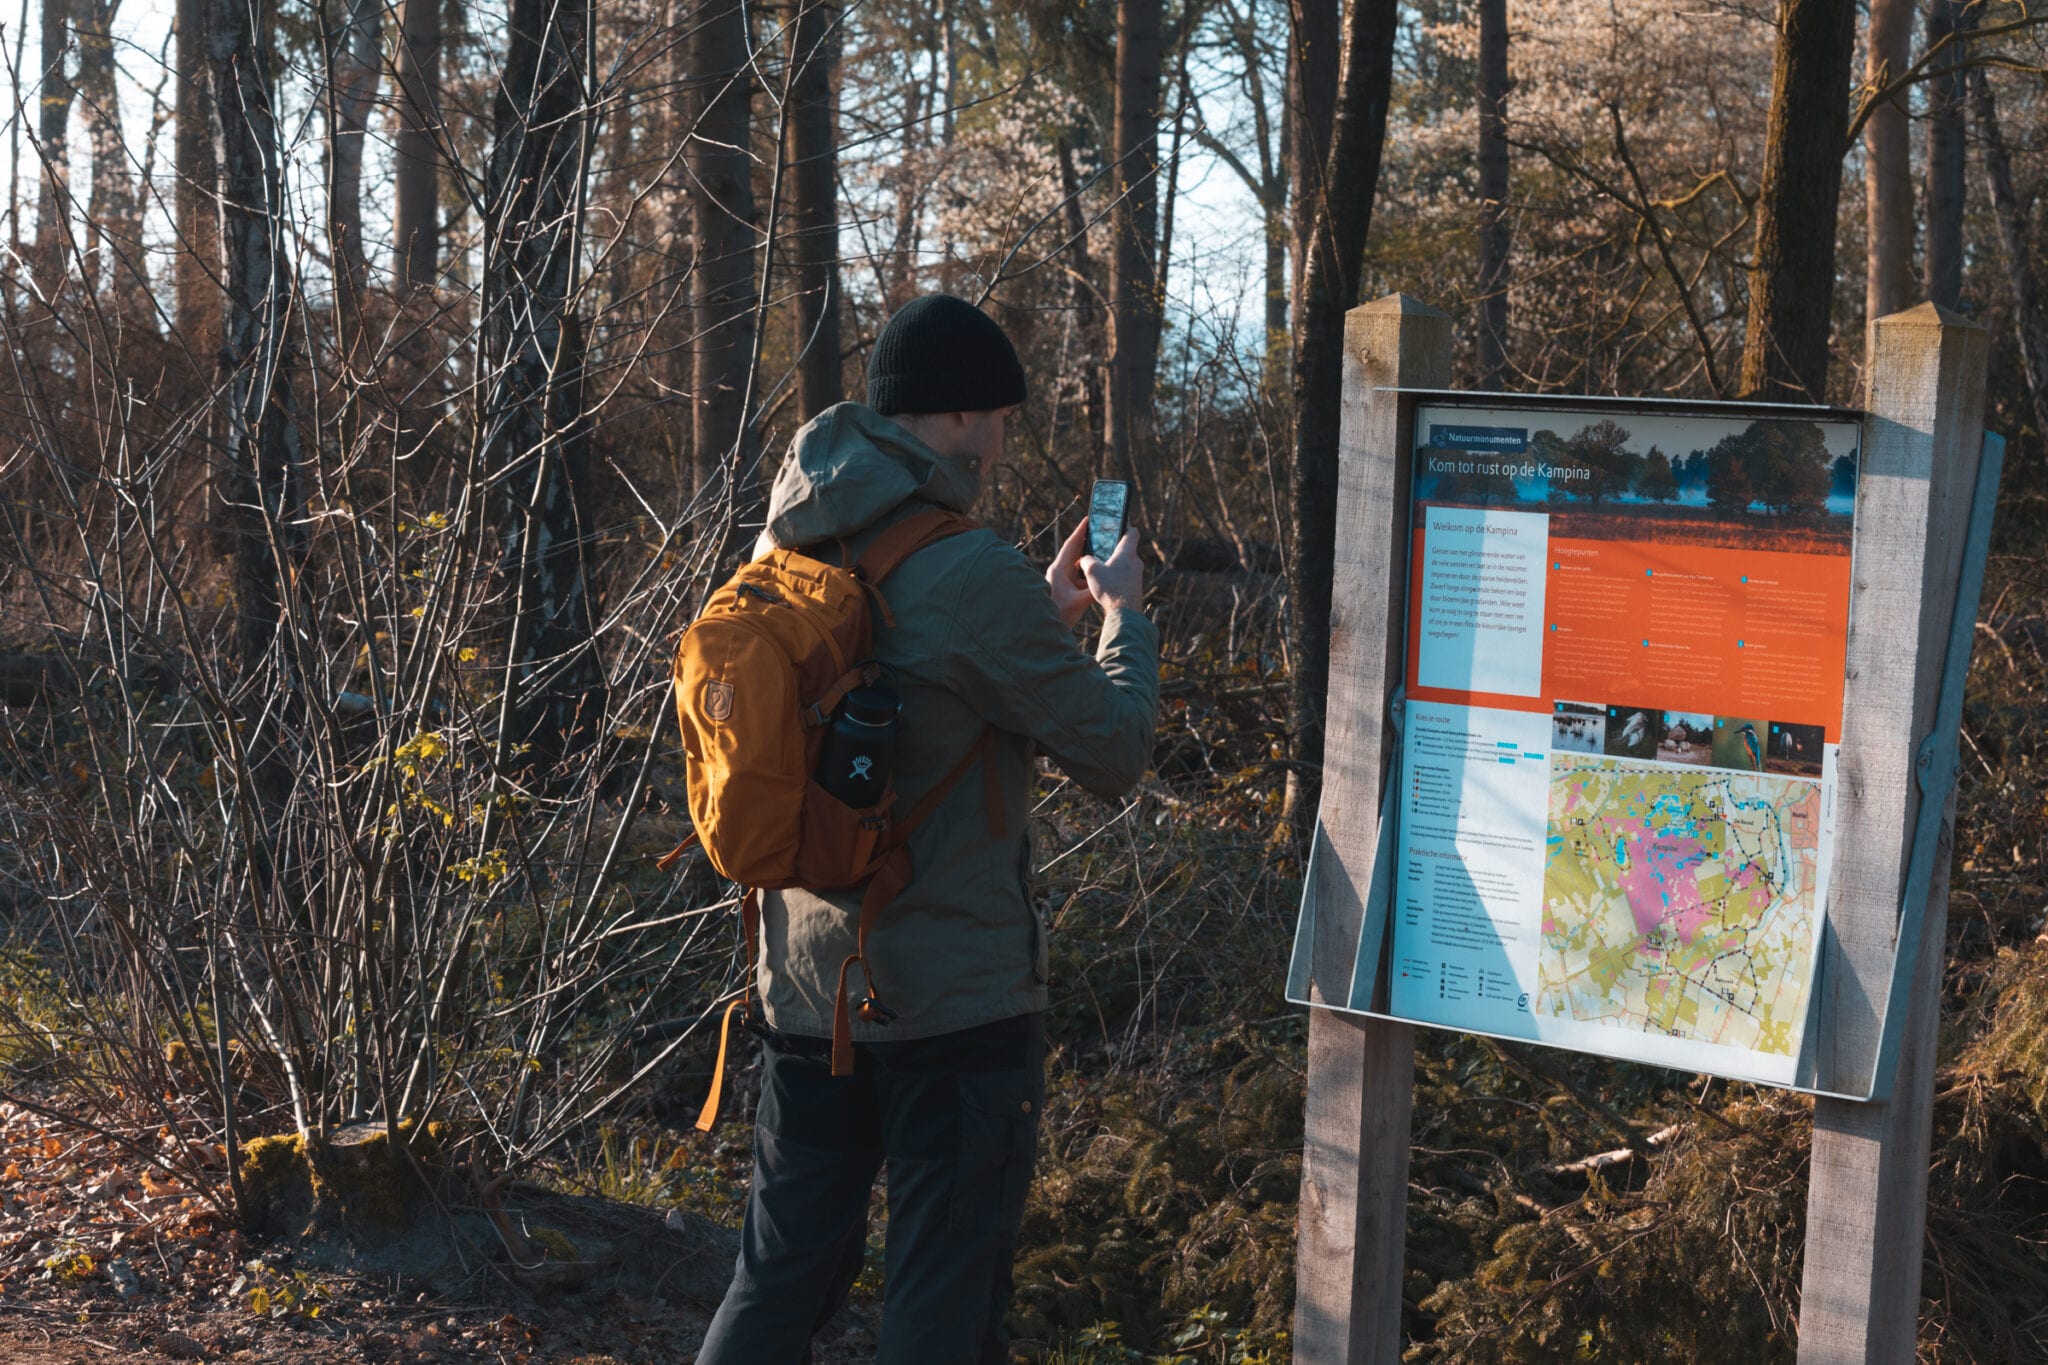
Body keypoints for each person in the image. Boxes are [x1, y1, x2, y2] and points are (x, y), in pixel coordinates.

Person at [696, 294, 1159, 1363]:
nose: (999, 443)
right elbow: (1113, 752)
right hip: (953, 1009)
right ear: (953, 417)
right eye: (995, 417)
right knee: (941, 1310)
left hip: (807, 997)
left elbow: (904, 689)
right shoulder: (966, 569)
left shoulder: (782, 542)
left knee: (775, 1284)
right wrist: (1123, 618)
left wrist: (1040, 617)